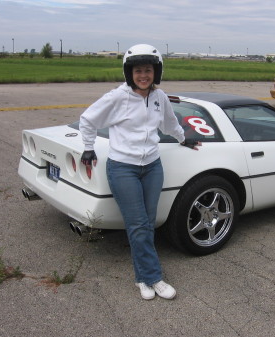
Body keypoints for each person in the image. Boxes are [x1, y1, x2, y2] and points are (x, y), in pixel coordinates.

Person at [79, 44, 200, 300]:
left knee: (148, 222)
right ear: (129, 73)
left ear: (156, 72)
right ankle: (153, 277)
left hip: (152, 166)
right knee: (137, 225)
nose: (143, 75)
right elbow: (88, 119)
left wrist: (182, 139)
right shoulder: (117, 97)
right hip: (123, 168)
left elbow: (169, 123)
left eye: (148, 70)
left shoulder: (159, 97)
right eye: (137, 70)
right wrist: (88, 148)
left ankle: (142, 276)